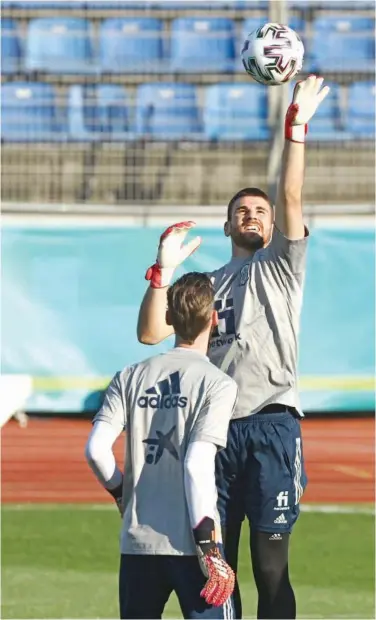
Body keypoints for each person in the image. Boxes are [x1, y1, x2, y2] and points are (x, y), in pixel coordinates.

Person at [137, 75, 330, 620]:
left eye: (261, 211)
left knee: (270, 569)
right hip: (214, 432)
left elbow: (290, 193)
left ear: (273, 227)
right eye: (242, 210)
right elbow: (152, 334)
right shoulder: (205, 284)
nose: (253, 214)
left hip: (272, 427)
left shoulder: (282, 267)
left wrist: (295, 126)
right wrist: (162, 272)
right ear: (227, 224)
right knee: (215, 570)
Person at [85, 272, 239, 620]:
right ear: (214, 318)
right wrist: (209, 546)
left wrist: (120, 493)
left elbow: (96, 450)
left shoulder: (129, 375)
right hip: (193, 544)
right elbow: (196, 463)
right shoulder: (218, 383)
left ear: (168, 319)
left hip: (139, 541)